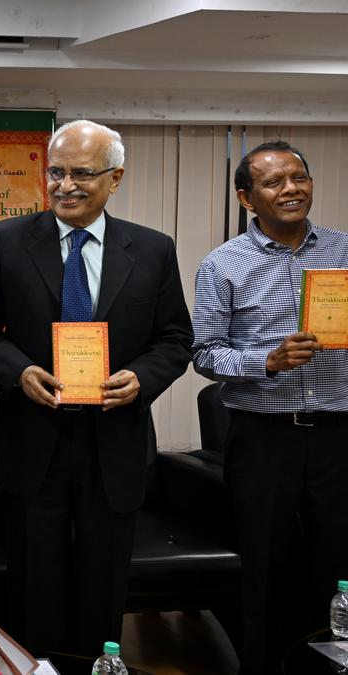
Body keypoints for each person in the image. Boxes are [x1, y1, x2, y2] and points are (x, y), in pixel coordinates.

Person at [0, 120, 192, 654]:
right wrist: (18, 371)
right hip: (33, 443)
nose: (64, 185)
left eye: (81, 173)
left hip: (114, 445)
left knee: (103, 588)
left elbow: (175, 339)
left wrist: (141, 378)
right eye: (55, 172)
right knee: (34, 589)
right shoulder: (6, 241)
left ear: (115, 178)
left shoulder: (152, 250)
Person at [192, 140, 348, 674]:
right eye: (274, 182)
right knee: (264, 566)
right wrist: (269, 360)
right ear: (245, 197)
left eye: (298, 178)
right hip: (263, 437)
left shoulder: (345, 252)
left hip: (338, 433)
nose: (291, 190)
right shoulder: (222, 265)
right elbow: (206, 355)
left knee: (338, 564)